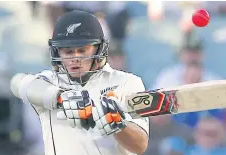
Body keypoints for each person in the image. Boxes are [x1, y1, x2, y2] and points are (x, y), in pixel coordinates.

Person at [10, 11, 149, 155]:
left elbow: (140, 146)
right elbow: (17, 83)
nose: (75, 58)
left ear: (99, 48)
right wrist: (61, 98)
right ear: (57, 53)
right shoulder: (51, 81)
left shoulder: (126, 83)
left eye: (82, 50)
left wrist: (118, 125)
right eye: (68, 52)